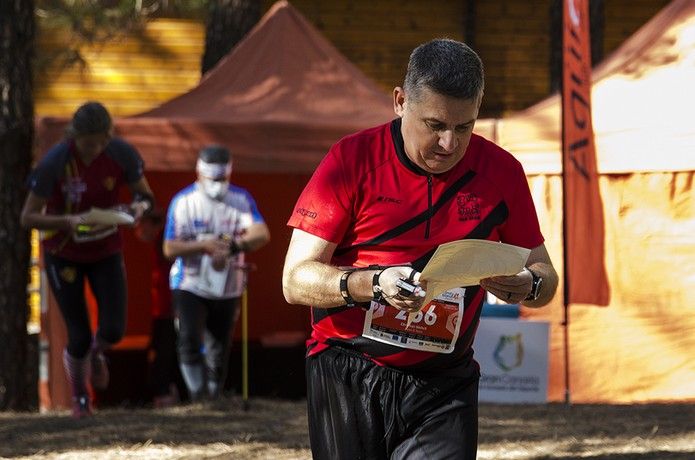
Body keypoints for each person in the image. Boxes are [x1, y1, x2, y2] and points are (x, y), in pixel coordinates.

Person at [282, 38, 559, 459]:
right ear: (399, 101)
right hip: (348, 368)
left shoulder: (501, 173)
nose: (449, 144)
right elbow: (295, 279)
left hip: (445, 382)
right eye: (435, 125)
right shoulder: (351, 160)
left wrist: (528, 284)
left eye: (464, 127)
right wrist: (372, 283)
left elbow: (547, 277)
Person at [21, 101, 155, 418]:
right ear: (73, 137)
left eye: (99, 142)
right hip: (63, 252)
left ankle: (98, 353)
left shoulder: (121, 154)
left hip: (105, 249)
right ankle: (80, 397)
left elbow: (146, 197)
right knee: (78, 334)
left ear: (108, 138)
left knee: (113, 329)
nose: (93, 149)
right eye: (86, 143)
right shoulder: (56, 162)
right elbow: (27, 217)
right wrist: (66, 222)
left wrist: (136, 210)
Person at [163, 144, 270, 402]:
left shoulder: (240, 200)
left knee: (219, 344)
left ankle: (213, 394)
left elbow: (261, 233)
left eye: (222, 179)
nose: (217, 185)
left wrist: (234, 245)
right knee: (189, 336)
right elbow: (169, 247)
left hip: (228, 285)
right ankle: (197, 394)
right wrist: (202, 245)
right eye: (212, 179)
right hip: (190, 283)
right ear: (199, 174)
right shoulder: (184, 202)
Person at [134, 209, 186, 407]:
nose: (138, 231)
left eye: (140, 225)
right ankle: (164, 392)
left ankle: (167, 393)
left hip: (170, 308)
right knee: (160, 352)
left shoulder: (167, 240)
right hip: (161, 308)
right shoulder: (161, 240)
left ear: (148, 222)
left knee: (166, 354)